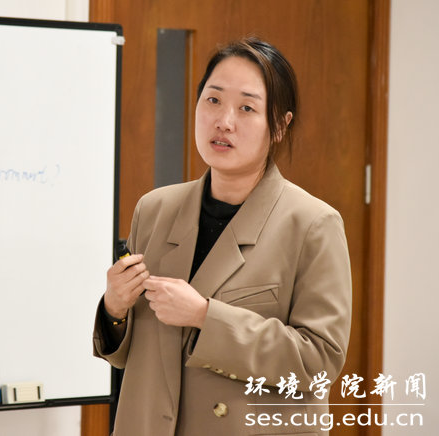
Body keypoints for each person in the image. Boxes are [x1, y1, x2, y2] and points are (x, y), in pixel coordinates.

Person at [93, 36, 352, 435]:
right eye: (213, 100)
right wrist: (114, 308)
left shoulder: (313, 224)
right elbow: (133, 356)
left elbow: (319, 361)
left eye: (247, 107)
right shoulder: (154, 210)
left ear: (280, 125)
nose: (224, 121)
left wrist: (205, 316)